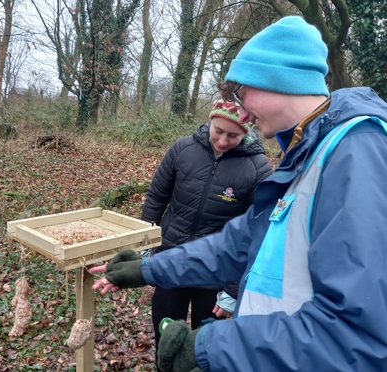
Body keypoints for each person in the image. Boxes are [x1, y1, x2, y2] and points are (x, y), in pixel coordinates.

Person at [90, 15, 387, 371]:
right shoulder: (306, 157)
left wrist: (205, 346)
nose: (242, 110)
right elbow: (234, 246)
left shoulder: (355, 152)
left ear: (276, 78)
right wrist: (148, 268)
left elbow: (357, 333)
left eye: (242, 93)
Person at [140, 98, 273, 365]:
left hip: (217, 276)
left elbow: (259, 232)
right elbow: (156, 199)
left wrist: (233, 291)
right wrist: (146, 247)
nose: (223, 140)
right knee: (165, 341)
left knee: (207, 352)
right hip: (172, 264)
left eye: (233, 135)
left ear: (247, 132)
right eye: (218, 131)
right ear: (209, 122)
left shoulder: (258, 169)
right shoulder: (182, 149)